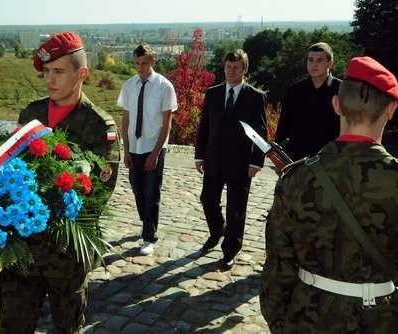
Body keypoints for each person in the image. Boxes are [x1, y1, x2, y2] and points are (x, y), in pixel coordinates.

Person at [260, 57, 398, 333]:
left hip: (308, 317)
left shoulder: (296, 179)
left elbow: (278, 269)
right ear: (391, 109)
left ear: (336, 105)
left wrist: (280, 323)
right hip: (382, 319)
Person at [0, 32, 120, 334]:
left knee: (67, 327)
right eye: (46, 72)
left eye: (59, 71)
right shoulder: (32, 113)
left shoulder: (98, 125)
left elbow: (98, 192)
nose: (50, 80)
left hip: (65, 254)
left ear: (82, 74)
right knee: (13, 326)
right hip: (23, 250)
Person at [194, 49, 267, 270]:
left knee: (236, 209)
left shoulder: (255, 96)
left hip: (241, 164)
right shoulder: (213, 93)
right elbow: (204, 126)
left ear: (244, 69)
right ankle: (217, 230)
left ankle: (229, 251)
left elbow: (261, 132)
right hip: (214, 160)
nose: (231, 71)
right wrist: (199, 155)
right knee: (207, 199)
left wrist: (256, 162)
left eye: (236, 67)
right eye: (228, 67)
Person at [116, 44, 177, 256]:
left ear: (153, 61)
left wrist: (156, 153)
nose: (140, 68)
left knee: (151, 192)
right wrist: (126, 149)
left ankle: (149, 236)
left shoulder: (164, 86)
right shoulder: (129, 85)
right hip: (134, 147)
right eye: (137, 63)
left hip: (154, 147)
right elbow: (125, 120)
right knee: (137, 188)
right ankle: (146, 223)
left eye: (144, 63)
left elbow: (167, 124)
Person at [275, 42, 342, 161]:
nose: (314, 64)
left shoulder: (341, 90)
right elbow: (283, 126)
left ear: (330, 63)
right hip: (297, 160)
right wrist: (278, 157)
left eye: (319, 60)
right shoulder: (295, 90)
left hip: (330, 160)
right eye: (310, 60)